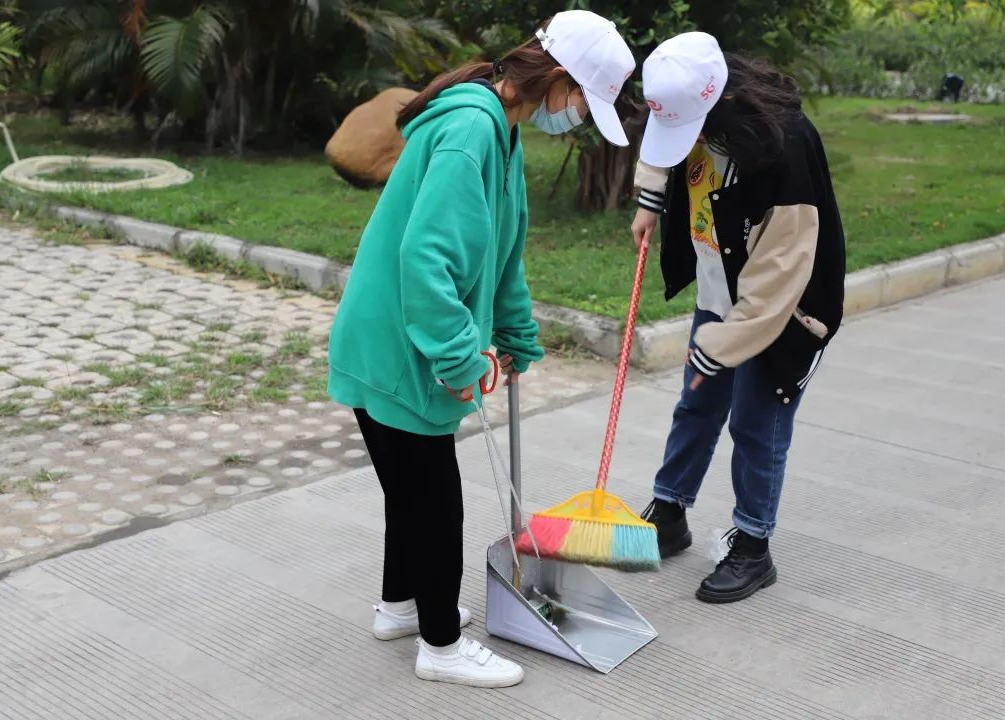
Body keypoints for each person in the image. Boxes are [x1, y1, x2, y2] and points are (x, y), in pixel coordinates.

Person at [328, 10, 635, 687]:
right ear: (558, 78)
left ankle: (401, 608)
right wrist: (460, 357)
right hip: (398, 346)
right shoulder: (472, 129)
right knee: (436, 503)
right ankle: (440, 645)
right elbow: (425, 261)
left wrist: (517, 335)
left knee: (411, 493)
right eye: (585, 102)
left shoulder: (502, 129)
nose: (580, 118)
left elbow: (502, 254)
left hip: (393, 336)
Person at [630, 33, 846, 603]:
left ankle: (753, 545)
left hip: (785, 308)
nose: (685, 137)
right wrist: (651, 198)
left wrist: (721, 345)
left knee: (756, 421)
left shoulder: (783, 146)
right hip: (718, 284)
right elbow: (664, 145)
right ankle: (670, 512)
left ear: (720, 101)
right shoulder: (696, 106)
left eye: (689, 126)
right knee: (696, 403)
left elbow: (779, 275)